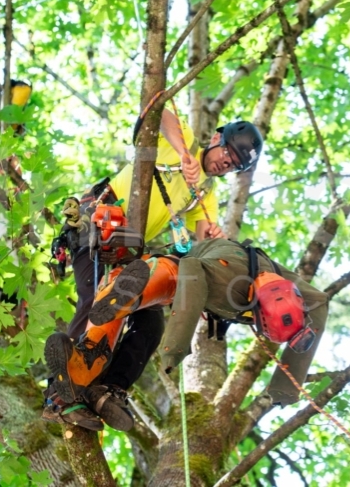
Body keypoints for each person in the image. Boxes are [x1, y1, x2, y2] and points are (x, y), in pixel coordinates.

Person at [42, 115, 264, 431]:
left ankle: (108, 389)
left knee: (150, 320)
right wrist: (184, 154)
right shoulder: (182, 139)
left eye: (233, 166)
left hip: (126, 252)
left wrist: (212, 237)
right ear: (216, 139)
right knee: (97, 301)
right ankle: (60, 397)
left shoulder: (205, 192)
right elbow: (159, 112)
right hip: (99, 226)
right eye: (227, 156)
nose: (224, 165)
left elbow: (200, 239)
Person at [48, 236, 328, 426]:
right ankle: (123, 299)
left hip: (203, 267)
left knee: (150, 326)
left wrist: (287, 386)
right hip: (188, 268)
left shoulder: (295, 292)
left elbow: (320, 303)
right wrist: (176, 346)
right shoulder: (227, 281)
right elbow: (193, 276)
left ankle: (106, 386)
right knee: (169, 278)